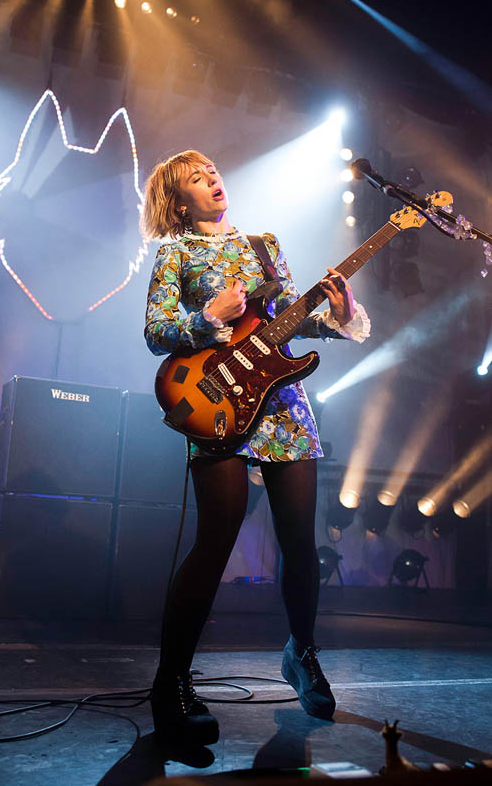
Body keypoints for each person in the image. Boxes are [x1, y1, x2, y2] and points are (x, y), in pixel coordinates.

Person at [142, 150, 370, 746]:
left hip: (282, 409)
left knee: (300, 543)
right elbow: (156, 331)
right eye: (197, 178)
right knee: (215, 542)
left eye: (213, 170)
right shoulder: (176, 253)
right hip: (215, 405)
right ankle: (171, 684)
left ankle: (301, 652)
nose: (212, 179)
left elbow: (288, 320)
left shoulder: (264, 245)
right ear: (177, 200)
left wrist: (337, 315)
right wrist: (206, 317)